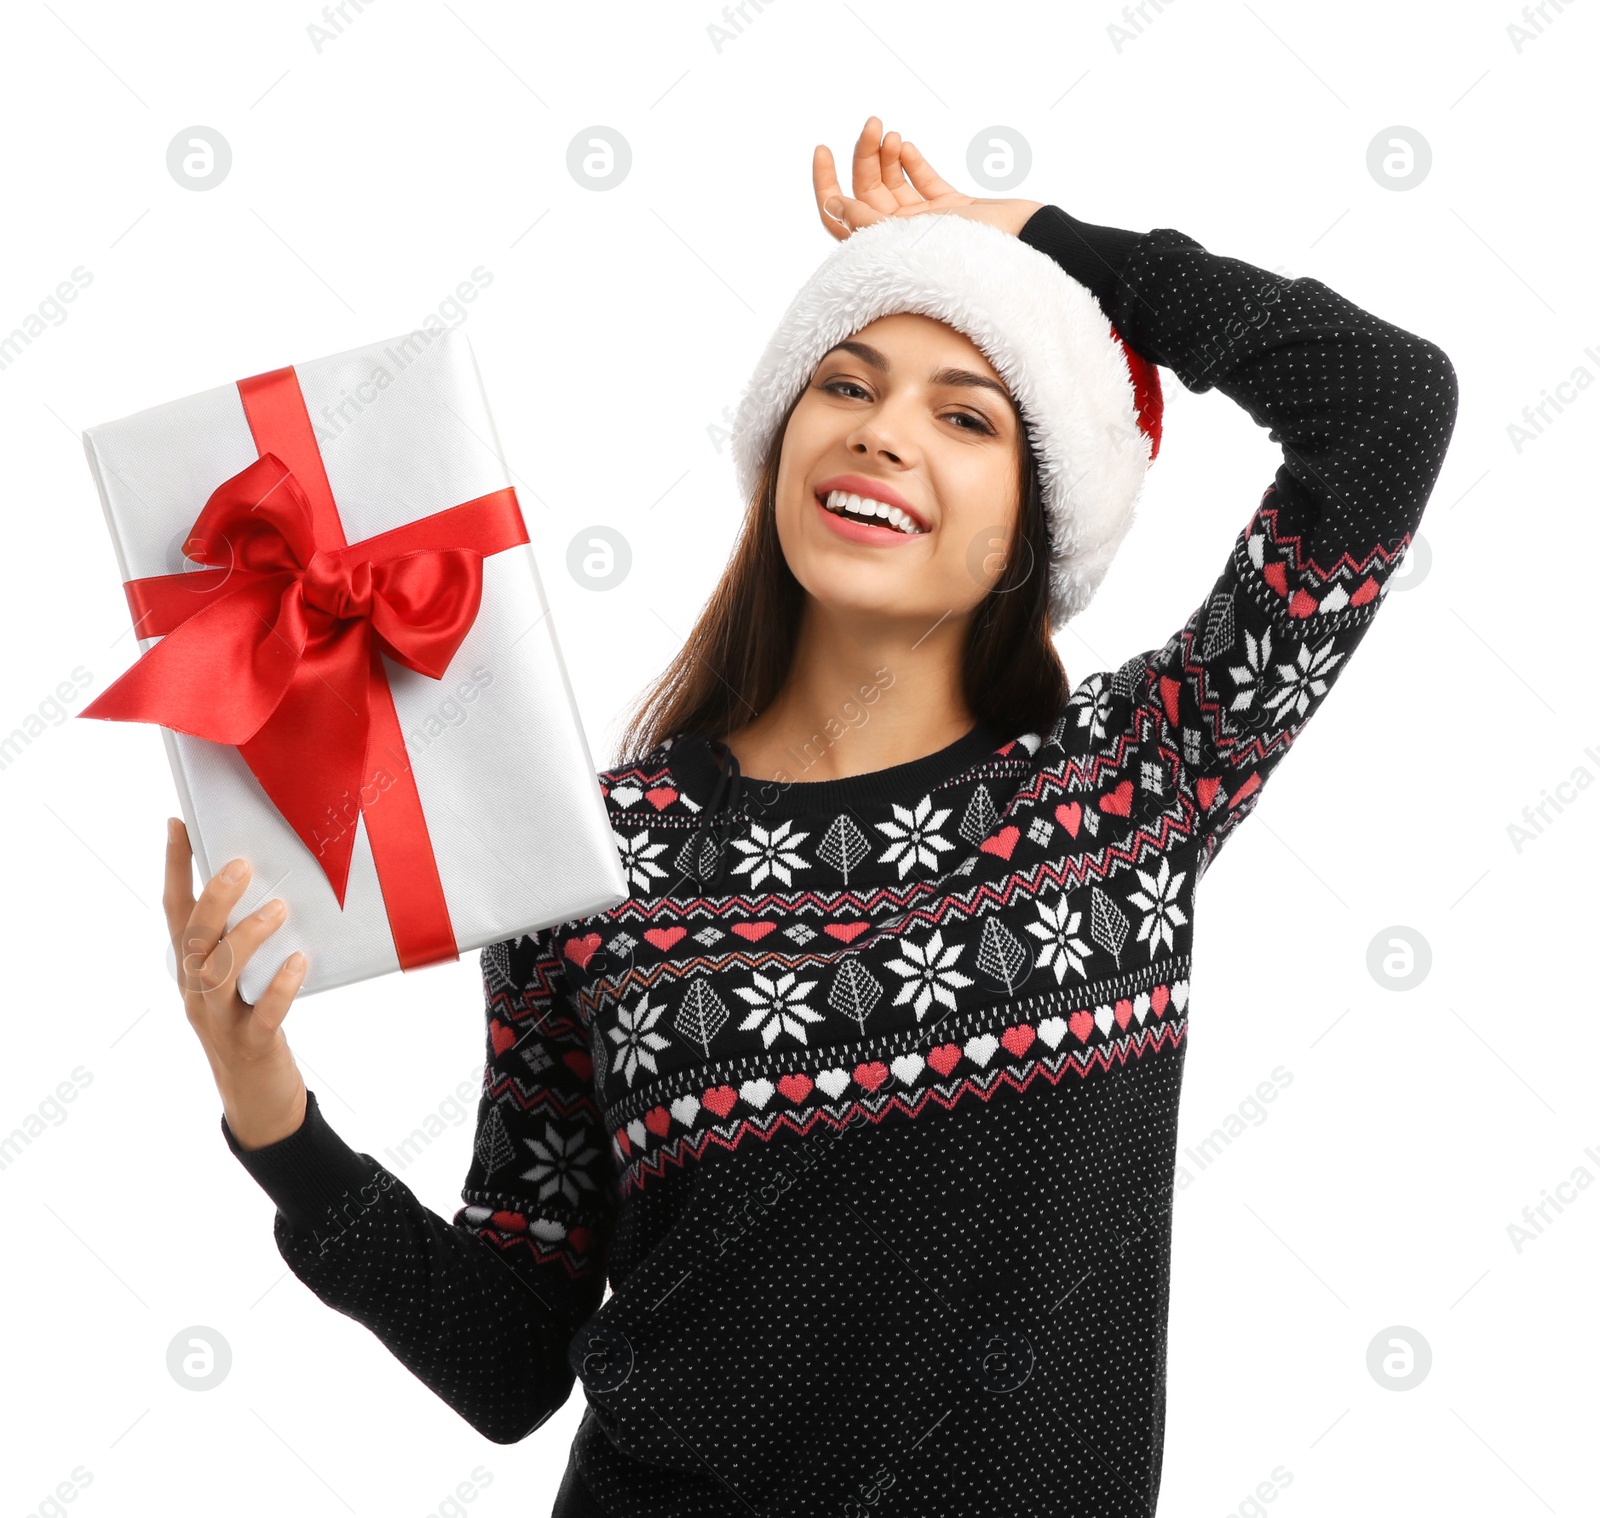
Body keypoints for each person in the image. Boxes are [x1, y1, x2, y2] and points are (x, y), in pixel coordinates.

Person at [165, 117, 1458, 1516]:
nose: (883, 428)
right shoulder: (598, 855)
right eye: (845, 385)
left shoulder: (1134, 781)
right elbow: (510, 1353)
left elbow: (1384, 401)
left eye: (965, 412)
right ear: (783, 449)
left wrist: (1027, 241)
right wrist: (270, 1107)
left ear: (1038, 516)